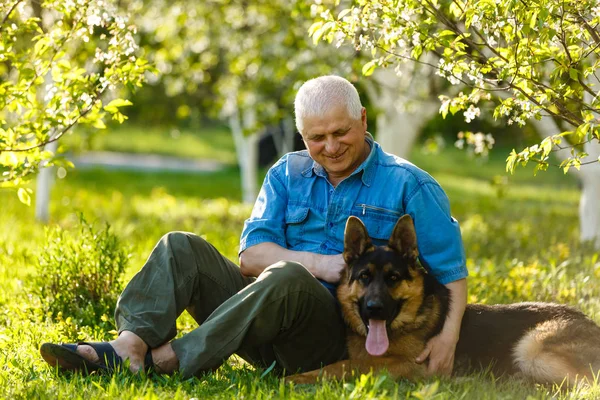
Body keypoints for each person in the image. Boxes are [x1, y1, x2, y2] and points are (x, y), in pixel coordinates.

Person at [40, 75, 468, 378]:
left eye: (342, 132)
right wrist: (318, 264)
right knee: (179, 245)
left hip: (335, 337)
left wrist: (447, 340)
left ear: (363, 119)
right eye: (317, 138)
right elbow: (251, 257)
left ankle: (169, 359)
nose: (331, 147)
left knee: (287, 276)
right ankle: (129, 348)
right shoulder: (285, 173)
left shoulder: (409, 183)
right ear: (302, 135)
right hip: (261, 319)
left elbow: (450, 272)